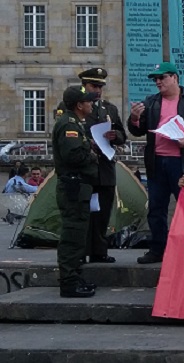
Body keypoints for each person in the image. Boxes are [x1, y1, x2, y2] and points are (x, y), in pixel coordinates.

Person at [127, 62, 184, 264]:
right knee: (156, 209)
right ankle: (158, 249)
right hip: (157, 162)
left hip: (182, 163)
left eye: (162, 78)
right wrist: (134, 118)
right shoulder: (151, 102)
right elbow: (137, 131)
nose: (158, 82)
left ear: (175, 78)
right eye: (155, 79)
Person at [57, 68, 128, 264]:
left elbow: (122, 134)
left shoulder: (109, 109)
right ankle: (81, 252)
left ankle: (99, 250)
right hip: (84, 170)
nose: (98, 91)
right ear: (84, 87)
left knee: (102, 212)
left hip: (104, 168)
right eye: (93, 86)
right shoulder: (71, 107)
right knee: (83, 214)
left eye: (100, 87)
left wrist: (116, 136)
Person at [53, 86, 101, 298]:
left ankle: (73, 276)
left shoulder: (75, 124)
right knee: (72, 235)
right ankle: (69, 282)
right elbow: (73, 155)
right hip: (73, 187)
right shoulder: (69, 125)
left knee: (78, 234)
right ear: (79, 105)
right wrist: (91, 155)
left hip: (79, 187)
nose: (91, 104)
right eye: (88, 101)